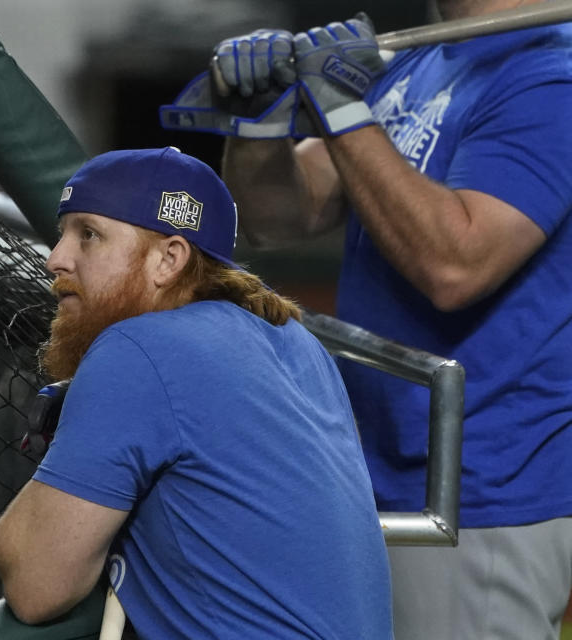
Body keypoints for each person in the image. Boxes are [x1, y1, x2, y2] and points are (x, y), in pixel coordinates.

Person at [206, 3, 572, 638]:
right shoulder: (425, 60)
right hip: (377, 471)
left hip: (479, 493)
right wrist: (259, 116)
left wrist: (339, 107)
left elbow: (456, 264)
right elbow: (276, 217)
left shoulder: (551, 74)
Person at [0, 146, 392, 639]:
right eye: (62, 234)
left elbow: (37, 586)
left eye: (88, 235)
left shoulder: (139, 348)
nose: (56, 259)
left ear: (168, 259)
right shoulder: (294, 340)